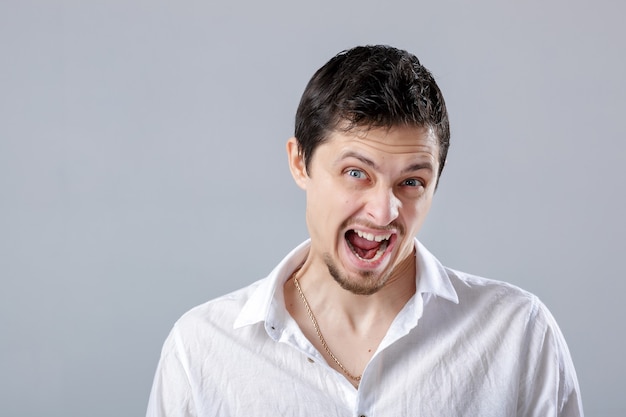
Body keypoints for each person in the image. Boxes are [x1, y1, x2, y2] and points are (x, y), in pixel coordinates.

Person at [146, 45, 584, 416]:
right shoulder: (200, 350)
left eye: (411, 182)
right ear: (300, 163)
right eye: (356, 173)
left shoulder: (519, 336)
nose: (383, 212)